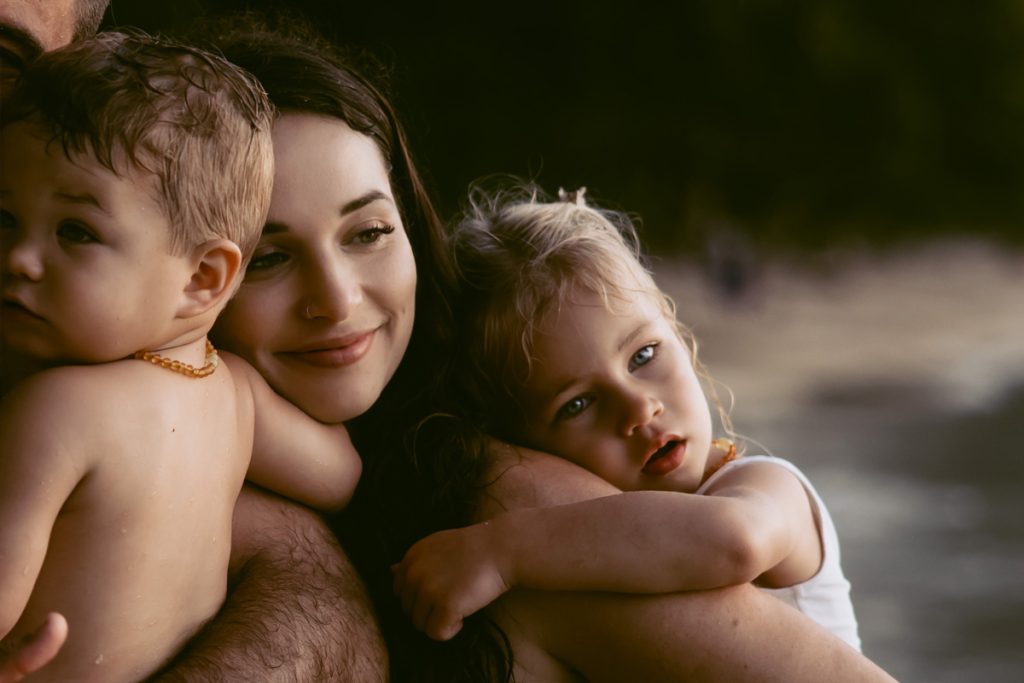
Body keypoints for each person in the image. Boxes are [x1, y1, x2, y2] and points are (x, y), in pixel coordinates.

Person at [4, 8, 898, 681]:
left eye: (368, 232)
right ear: (194, 275)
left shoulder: (516, 503)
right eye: (274, 257)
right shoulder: (179, 425)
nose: (338, 301)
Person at [0, 29, 362, 681]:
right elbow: (341, 475)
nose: (18, 258)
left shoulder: (52, 409)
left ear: (203, 278)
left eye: (74, 232)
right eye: (3, 218)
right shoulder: (238, 395)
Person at [392, 183, 861, 652]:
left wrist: (503, 551)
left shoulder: (765, 486)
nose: (639, 408)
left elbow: (735, 540)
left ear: (679, 333)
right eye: (578, 404)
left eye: (644, 355)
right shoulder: (586, 553)